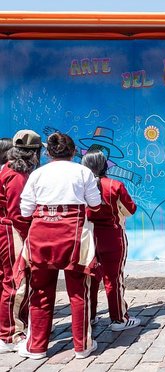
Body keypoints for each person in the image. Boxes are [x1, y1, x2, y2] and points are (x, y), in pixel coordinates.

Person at [18, 132, 101, 360]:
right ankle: (82, 346)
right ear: (73, 152)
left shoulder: (37, 174)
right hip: (73, 236)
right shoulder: (83, 172)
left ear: (48, 152)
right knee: (78, 291)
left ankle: (37, 347)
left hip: (41, 236)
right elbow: (95, 202)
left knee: (40, 291)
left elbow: (25, 211)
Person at [81, 150, 140, 332]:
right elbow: (130, 210)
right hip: (113, 238)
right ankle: (118, 319)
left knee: (89, 278)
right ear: (105, 165)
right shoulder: (115, 185)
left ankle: (90, 317)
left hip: (88, 237)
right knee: (113, 279)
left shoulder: (80, 187)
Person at [0, 130, 42, 353]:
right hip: (10, 230)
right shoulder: (16, 176)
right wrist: (31, 235)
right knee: (15, 281)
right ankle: (10, 334)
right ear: (34, 152)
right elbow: (17, 213)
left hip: (8, 228)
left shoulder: (10, 169)